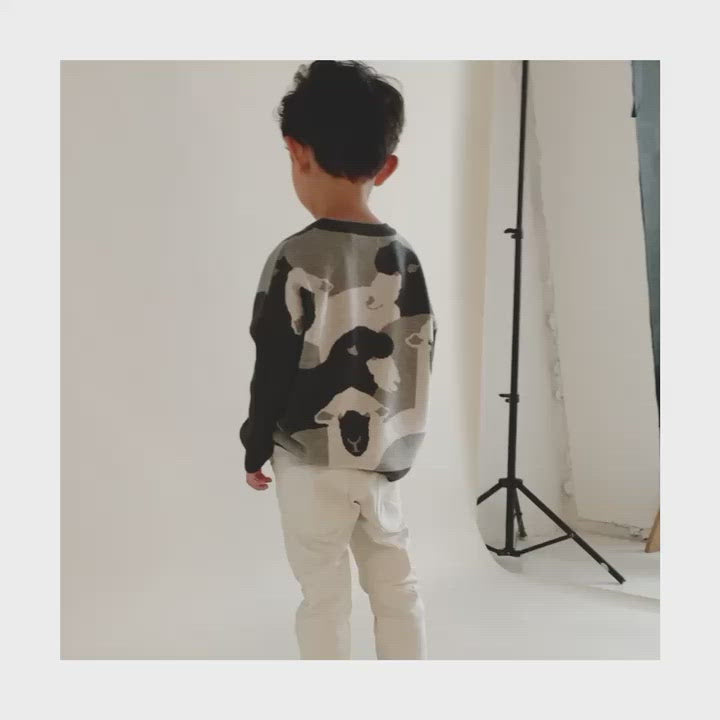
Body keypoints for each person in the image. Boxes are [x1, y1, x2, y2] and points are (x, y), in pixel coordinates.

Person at [239, 60, 437, 660]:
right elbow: (420, 352)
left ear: (297, 152)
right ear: (387, 166)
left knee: (323, 595)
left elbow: (273, 359)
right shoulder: (405, 258)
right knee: (397, 587)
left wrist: (254, 442)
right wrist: (402, 445)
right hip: (382, 459)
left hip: (308, 459)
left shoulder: (294, 256)